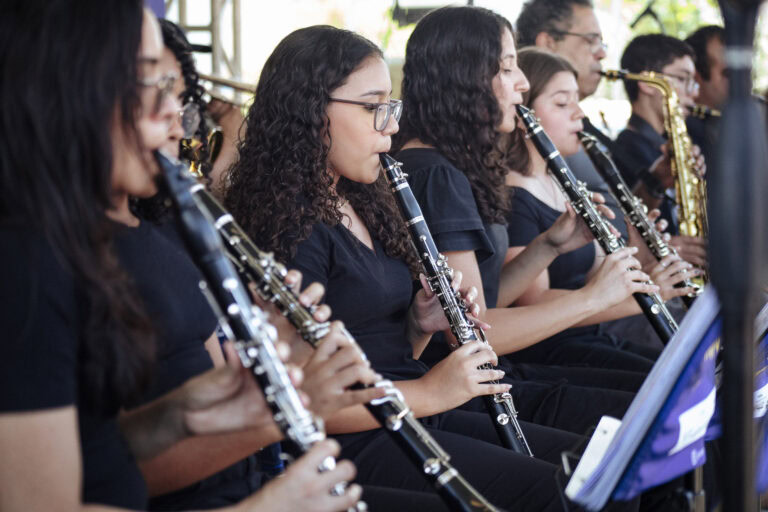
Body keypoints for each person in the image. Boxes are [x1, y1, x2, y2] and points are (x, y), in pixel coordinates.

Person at [224, 20, 643, 512]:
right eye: (373, 107)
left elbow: (387, 345)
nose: (392, 125)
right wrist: (428, 391)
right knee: (556, 491)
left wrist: (422, 325)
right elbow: (297, 402)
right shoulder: (288, 224)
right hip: (355, 438)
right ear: (311, 110)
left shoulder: (365, 198)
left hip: (411, 410)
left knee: (596, 470)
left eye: (391, 105)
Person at [0, 2, 365, 511]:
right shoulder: (23, 264)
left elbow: (91, 455)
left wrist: (189, 410)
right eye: (152, 82)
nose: (176, 115)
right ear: (70, 88)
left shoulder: (65, 244)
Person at [502, 47, 698, 369]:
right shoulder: (515, 196)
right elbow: (533, 301)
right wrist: (648, 295)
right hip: (552, 354)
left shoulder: (561, 181)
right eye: (563, 103)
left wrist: (640, 259)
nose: (579, 113)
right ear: (523, 114)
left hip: (590, 335)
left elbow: (592, 277)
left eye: (577, 101)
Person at [613, 34, 704, 240]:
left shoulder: (662, 144)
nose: (693, 93)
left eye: (693, 82)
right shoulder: (627, 148)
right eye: (682, 79)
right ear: (647, 82)